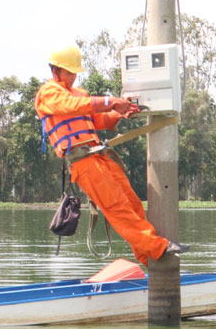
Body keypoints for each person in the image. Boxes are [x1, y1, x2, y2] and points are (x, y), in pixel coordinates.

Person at [34, 44, 184, 265]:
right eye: (69, 72)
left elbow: (97, 121)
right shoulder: (49, 93)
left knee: (132, 204)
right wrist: (110, 101)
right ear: (55, 71)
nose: (73, 77)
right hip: (83, 163)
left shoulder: (80, 94)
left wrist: (118, 113)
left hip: (100, 158)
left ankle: (148, 257)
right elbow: (72, 106)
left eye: (75, 72)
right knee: (119, 209)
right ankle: (158, 247)